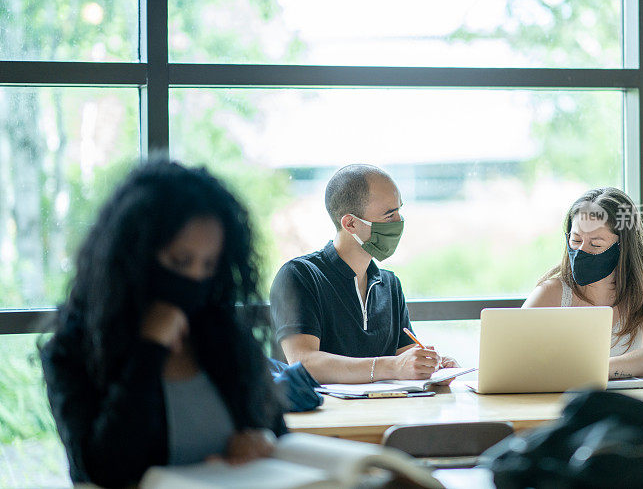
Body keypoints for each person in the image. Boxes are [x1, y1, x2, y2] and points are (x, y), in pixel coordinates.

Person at [40, 159, 286, 488]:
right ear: (135, 256)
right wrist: (149, 349)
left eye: (209, 265)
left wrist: (264, 440)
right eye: (181, 261)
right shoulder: (73, 353)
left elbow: (274, 430)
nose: (195, 278)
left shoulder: (226, 339)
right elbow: (102, 470)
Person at [270, 164, 457, 384]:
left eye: (399, 210)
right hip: (327, 415)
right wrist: (392, 366)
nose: (399, 222)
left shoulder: (390, 284)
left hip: (391, 412)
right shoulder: (300, 276)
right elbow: (304, 363)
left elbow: (404, 358)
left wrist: (432, 366)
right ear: (350, 223)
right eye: (389, 215)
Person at [522, 187, 643, 379]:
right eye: (575, 240)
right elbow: (513, 354)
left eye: (596, 244)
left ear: (624, 247)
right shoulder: (551, 292)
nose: (581, 251)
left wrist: (589, 370)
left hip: (628, 405)